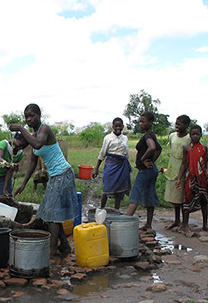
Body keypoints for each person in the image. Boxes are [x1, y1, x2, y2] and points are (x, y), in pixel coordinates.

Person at [11, 104, 78, 258]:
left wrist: (21, 128)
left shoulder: (44, 130)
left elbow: (37, 144)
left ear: (39, 115)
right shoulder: (34, 135)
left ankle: (52, 250)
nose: (28, 119)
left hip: (63, 174)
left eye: (31, 116)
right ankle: (65, 246)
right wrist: (23, 183)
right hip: (56, 176)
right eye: (26, 117)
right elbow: (33, 162)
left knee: (52, 215)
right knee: (49, 213)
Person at [125, 112, 163, 231]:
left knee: (135, 195)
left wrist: (143, 160)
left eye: (143, 121)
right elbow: (159, 148)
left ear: (150, 122)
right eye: (140, 121)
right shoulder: (151, 134)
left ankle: (124, 225)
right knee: (149, 196)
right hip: (151, 170)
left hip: (145, 171)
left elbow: (152, 147)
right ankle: (148, 224)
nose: (141, 124)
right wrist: (152, 160)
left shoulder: (148, 136)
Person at [177, 125, 208, 234]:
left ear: (201, 135)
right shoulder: (186, 148)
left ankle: (205, 225)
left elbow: (207, 161)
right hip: (190, 178)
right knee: (187, 201)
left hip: (202, 178)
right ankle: (185, 224)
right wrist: (179, 178)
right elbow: (183, 164)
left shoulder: (204, 148)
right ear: (190, 135)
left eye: (197, 134)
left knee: (204, 201)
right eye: (193, 134)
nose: (195, 136)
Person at [91, 117, 131, 209]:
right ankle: (101, 209)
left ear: (123, 127)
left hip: (122, 165)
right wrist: (96, 168)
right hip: (111, 164)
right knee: (107, 188)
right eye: (116, 126)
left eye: (120, 126)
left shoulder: (125, 138)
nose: (118, 128)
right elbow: (102, 153)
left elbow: (127, 153)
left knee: (119, 190)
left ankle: (116, 210)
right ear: (113, 126)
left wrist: (127, 166)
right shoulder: (108, 138)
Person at [164, 115, 191, 229]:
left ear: (186, 126)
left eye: (179, 124)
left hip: (183, 170)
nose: (176, 126)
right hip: (172, 169)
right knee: (175, 199)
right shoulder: (172, 136)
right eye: (176, 123)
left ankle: (185, 222)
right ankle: (177, 220)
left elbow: (189, 156)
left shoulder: (188, 138)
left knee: (183, 198)